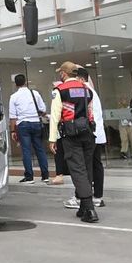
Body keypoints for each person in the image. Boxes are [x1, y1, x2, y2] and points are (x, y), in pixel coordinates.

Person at [48, 62, 98, 223]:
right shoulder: (86, 89)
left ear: (64, 74)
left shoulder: (60, 90)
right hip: (88, 133)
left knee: (77, 169)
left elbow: (55, 116)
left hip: (71, 134)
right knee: (86, 168)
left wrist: (52, 138)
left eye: (60, 73)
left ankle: (90, 209)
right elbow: (90, 112)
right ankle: (84, 206)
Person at [63, 67, 105, 210]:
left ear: (80, 79)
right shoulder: (91, 91)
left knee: (83, 168)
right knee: (94, 166)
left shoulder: (82, 91)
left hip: (86, 132)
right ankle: (97, 196)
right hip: (95, 133)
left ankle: (81, 198)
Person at [7, 74, 50, 184]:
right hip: (36, 123)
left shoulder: (14, 97)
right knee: (40, 149)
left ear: (15, 84)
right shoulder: (35, 93)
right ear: (26, 82)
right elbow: (42, 109)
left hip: (23, 125)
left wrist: (12, 131)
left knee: (26, 150)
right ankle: (45, 175)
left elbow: (13, 116)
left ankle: (29, 177)